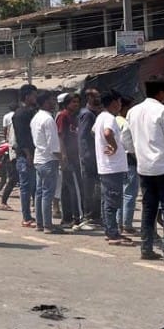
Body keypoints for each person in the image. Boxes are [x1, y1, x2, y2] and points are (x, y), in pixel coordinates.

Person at [127, 80, 164, 264]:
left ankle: (146, 248)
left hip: (144, 167)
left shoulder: (133, 111)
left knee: (148, 208)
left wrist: (138, 154)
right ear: (161, 93)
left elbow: (126, 139)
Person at [94, 91, 132, 246]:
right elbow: (107, 132)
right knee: (112, 201)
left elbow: (94, 131)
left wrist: (103, 144)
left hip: (107, 166)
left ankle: (110, 230)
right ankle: (113, 233)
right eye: (119, 102)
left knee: (107, 201)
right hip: (112, 167)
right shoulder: (109, 118)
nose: (120, 105)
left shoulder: (100, 117)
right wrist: (114, 146)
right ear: (114, 102)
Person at [31, 91, 63, 234]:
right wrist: (62, 158)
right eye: (51, 100)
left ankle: (40, 223)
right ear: (45, 102)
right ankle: (48, 225)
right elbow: (53, 144)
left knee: (39, 193)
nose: (54, 103)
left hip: (39, 159)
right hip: (49, 159)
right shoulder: (48, 119)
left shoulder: (36, 118)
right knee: (47, 194)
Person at [56, 93, 87, 229]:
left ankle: (66, 218)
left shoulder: (74, 117)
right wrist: (63, 156)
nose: (76, 104)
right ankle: (77, 218)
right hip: (68, 158)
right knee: (74, 187)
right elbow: (60, 137)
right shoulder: (63, 116)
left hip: (74, 156)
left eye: (77, 102)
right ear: (67, 103)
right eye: (73, 102)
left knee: (66, 188)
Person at [11, 84, 38, 229]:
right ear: (27, 97)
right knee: (26, 187)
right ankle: (26, 217)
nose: (35, 98)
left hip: (32, 154)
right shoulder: (20, 114)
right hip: (25, 156)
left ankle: (34, 214)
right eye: (34, 95)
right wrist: (28, 155)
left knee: (33, 187)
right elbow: (22, 137)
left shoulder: (31, 112)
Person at [76, 88, 102, 228]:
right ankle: (90, 215)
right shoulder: (87, 115)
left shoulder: (89, 113)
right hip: (89, 156)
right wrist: (87, 155)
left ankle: (93, 214)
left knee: (92, 186)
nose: (98, 98)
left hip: (91, 155)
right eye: (96, 96)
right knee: (90, 187)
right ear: (90, 98)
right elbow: (83, 137)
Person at [118, 98, 139, 235]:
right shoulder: (124, 122)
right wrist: (135, 154)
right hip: (129, 160)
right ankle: (127, 224)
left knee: (121, 193)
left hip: (118, 161)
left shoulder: (114, 120)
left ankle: (120, 222)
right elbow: (127, 140)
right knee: (130, 193)